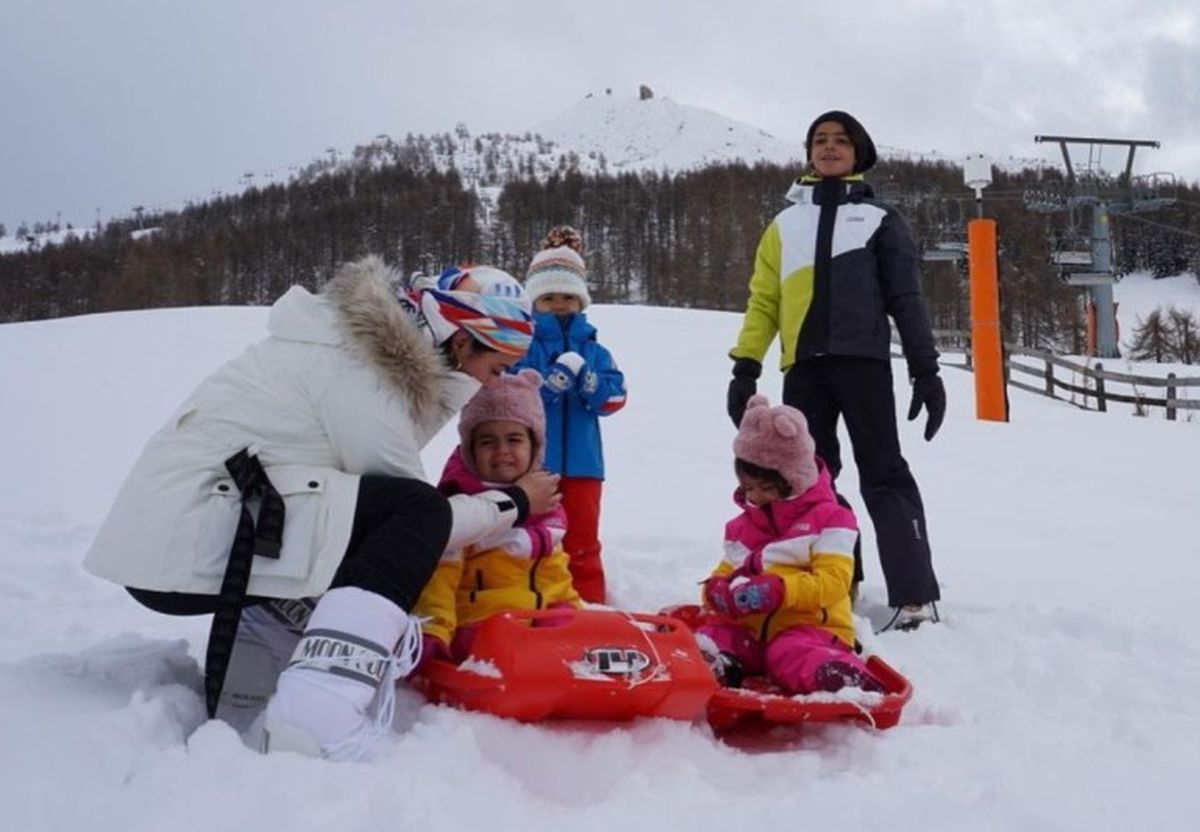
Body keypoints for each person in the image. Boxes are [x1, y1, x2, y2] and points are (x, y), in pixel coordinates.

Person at [83, 257, 560, 760]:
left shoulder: (363, 356)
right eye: (495, 367)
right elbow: (422, 520)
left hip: (204, 531)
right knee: (411, 517)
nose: (491, 382)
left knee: (367, 520)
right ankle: (316, 711)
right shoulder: (360, 373)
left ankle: (268, 669)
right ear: (462, 343)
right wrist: (516, 501)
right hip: (189, 544)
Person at [725, 110, 944, 631]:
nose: (828, 147)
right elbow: (764, 302)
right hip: (804, 369)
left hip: (864, 364)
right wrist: (745, 366)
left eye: (840, 140)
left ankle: (914, 595)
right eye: (819, 140)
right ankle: (837, 579)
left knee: (884, 472)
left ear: (859, 152)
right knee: (808, 480)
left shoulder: (880, 219)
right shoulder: (784, 225)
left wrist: (925, 368)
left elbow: (906, 298)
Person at [696, 395, 884, 694]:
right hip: (751, 631)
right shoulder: (742, 526)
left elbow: (834, 583)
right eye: (747, 488)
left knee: (792, 653)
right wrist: (715, 589)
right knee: (717, 633)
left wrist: (780, 590)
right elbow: (727, 568)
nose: (754, 497)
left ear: (791, 480)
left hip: (810, 630)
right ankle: (715, 665)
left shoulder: (831, 520)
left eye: (764, 488)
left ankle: (835, 676)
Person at [412, 368, 582, 663]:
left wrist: (571, 611)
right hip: (481, 625)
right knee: (514, 646)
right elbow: (439, 581)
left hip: (540, 617)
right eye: (488, 442)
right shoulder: (464, 506)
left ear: (534, 446)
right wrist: (433, 632)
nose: (502, 451)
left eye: (514, 439)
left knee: (578, 640)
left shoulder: (546, 502)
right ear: (470, 450)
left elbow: (556, 573)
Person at [515, 226, 626, 604]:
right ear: (535, 301)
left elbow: (616, 398)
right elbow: (510, 396)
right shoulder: (523, 347)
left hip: (584, 466)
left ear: (580, 300)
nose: (559, 304)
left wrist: (591, 384)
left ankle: (590, 609)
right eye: (548, 297)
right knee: (534, 537)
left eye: (567, 296)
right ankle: (536, 602)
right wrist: (548, 387)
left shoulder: (596, 350)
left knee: (581, 541)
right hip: (533, 466)